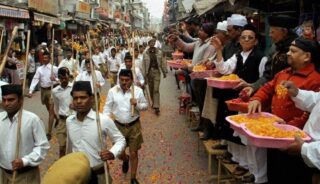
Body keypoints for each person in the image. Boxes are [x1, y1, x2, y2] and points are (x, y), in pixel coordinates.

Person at [248, 37, 320, 184]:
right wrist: (256, 99)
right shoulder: (283, 73)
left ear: (307, 57)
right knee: (273, 171)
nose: (288, 53)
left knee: (289, 175)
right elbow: (267, 88)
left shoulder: (315, 79)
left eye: (293, 51)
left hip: (295, 140)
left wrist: (287, 128)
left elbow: (308, 114)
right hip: (275, 132)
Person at [67, 81, 126, 184]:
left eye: (83, 97)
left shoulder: (102, 120)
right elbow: (71, 146)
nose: (79, 101)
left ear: (91, 98)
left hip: (99, 173)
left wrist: (112, 153)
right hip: (77, 174)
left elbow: (120, 140)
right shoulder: (69, 121)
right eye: (75, 98)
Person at [103, 69, 148, 184]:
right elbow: (107, 108)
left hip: (134, 125)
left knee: (134, 152)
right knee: (119, 153)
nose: (124, 82)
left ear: (132, 80)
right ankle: (125, 159)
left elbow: (145, 106)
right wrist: (105, 122)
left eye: (127, 80)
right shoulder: (112, 91)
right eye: (121, 80)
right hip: (118, 126)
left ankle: (133, 178)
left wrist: (136, 104)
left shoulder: (137, 91)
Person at [0, 84, 50, 184]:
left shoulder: (32, 120)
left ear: (21, 100)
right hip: (3, 175)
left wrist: (25, 161)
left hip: (26, 176)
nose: (6, 103)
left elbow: (43, 146)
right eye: (4, 100)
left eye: (11, 100)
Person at [243, 15, 298, 96]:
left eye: (272, 32)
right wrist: (254, 86)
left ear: (284, 32)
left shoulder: (298, 48)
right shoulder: (275, 48)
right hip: (273, 92)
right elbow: (268, 75)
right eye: (269, 32)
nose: (270, 35)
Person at [28, 51, 58, 140]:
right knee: (49, 110)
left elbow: (60, 79)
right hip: (43, 91)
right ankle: (57, 119)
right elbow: (35, 79)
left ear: (49, 59)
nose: (45, 59)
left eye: (46, 58)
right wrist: (30, 90)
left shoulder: (54, 68)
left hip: (51, 90)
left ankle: (49, 132)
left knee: (51, 111)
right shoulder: (39, 69)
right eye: (43, 58)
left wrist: (55, 79)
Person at [142, 39, 167, 115]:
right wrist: (144, 76)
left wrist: (164, 71)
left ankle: (157, 106)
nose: (152, 43)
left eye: (153, 42)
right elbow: (143, 65)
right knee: (151, 89)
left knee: (156, 89)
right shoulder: (145, 53)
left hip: (157, 72)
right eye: (151, 42)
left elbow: (162, 62)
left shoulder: (159, 52)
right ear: (148, 44)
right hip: (149, 73)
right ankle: (154, 102)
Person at [52, 67, 73, 157]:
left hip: (73, 120)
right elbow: (56, 106)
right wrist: (58, 117)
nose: (64, 80)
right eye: (61, 78)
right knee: (62, 146)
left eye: (65, 77)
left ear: (69, 77)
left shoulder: (74, 88)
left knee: (73, 146)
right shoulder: (55, 91)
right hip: (62, 121)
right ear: (59, 78)